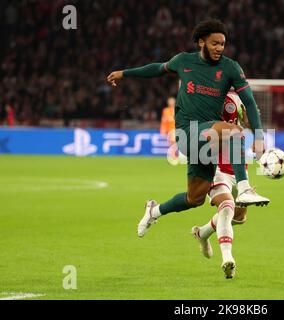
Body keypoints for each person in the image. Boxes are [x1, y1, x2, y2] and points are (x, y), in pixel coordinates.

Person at [107, 19, 269, 278]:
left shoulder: (230, 68)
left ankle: (154, 210)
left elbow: (248, 100)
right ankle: (246, 188)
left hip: (208, 141)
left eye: (223, 44)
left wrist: (259, 135)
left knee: (194, 198)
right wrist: (124, 73)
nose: (220, 48)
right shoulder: (183, 61)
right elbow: (156, 69)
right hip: (187, 132)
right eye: (215, 43)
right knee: (235, 133)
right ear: (201, 42)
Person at [192, 91, 251, 279]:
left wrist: (248, 118)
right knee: (227, 207)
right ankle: (228, 259)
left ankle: (203, 232)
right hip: (214, 166)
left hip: (238, 166)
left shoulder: (236, 98)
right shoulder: (202, 98)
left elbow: (246, 125)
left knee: (239, 218)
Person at [160, 96, 180, 165]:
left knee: (174, 143)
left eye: (172, 101)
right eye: (170, 102)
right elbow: (164, 120)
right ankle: (174, 157)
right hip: (169, 130)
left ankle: (174, 157)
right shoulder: (165, 110)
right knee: (171, 144)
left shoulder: (177, 110)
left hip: (175, 129)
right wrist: (163, 129)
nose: (171, 103)